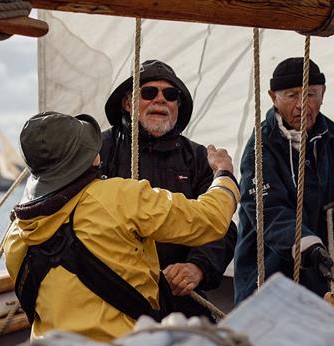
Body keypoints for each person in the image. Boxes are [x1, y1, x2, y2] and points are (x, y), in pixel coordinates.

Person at [3, 111, 239, 342]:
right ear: (89, 157)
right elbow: (211, 219)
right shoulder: (120, 198)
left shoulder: (15, 236)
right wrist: (224, 174)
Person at [100, 59, 237, 320]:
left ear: (177, 107)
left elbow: (223, 228)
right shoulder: (99, 150)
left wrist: (197, 267)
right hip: (111, 296)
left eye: (170, 95)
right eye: (148, 92)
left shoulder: (198, 158)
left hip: (179, 298)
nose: (160, 100)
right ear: (128, 104)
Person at [233, 57, 334, 311]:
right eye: (291, 95)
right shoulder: (260, 150)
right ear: (272, 96)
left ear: (323, 93)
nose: (301, 105)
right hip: (268, 282)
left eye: (310, 94)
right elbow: (267, 210)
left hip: (325, 283)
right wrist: (309, 246)